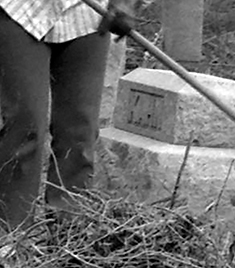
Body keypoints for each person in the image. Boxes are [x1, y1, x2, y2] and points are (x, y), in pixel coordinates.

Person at [0, 0, 138, 231]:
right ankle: (11, 240)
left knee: (80, 130)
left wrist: (124, 2)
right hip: (20, 10)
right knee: (25, 126)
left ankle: (70, 239)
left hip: (88, 15)